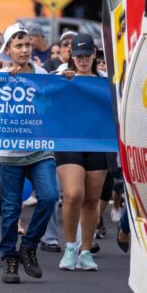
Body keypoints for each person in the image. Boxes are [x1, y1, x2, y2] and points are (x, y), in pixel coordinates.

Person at [0, 22, 58, 284]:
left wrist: (66, 82)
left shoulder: (43, 72)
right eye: (18, 45)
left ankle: (29, 245)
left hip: (40, 149)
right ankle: (9, 256)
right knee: (11, 208)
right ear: (8, 50)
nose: (24, 50)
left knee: (49, 196)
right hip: (9, 153)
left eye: (27, 45)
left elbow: (53, 104)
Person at [55, 34, 107, 271]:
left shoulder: (105, 80)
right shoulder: (61, 77)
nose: (83, 60)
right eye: (78, 56)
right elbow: (38, 92)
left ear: (94, 54)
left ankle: (86, 251)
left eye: (87, 55)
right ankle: (69, 246)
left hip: (97, 142)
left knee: (91, 200)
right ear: (71, 56)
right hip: (69, 142)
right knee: (73, 194)